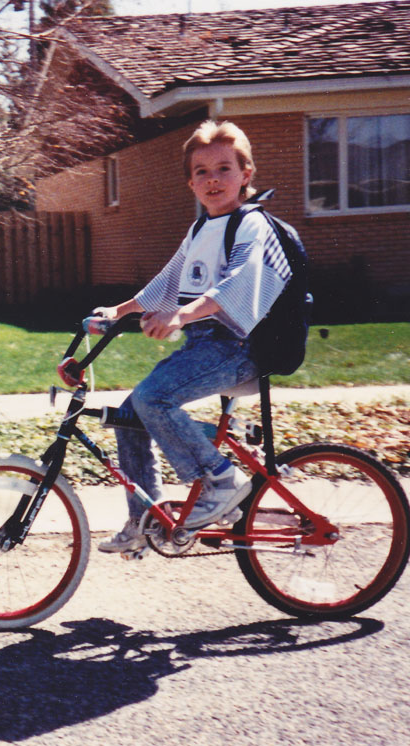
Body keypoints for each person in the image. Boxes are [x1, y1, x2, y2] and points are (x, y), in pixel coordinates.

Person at [92, 120, 291, 554]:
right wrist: (120, 311)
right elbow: (170, 280)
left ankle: (221, 480)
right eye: (202, 172)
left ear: (246, 174)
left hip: (240, 347)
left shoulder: (251, 225)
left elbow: (239, 283)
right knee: (129, 414)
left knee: (153, 399)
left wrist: (181, 315)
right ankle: (145, 520)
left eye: (224, 169)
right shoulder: (201, 229)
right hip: (206, 345)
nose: (213, 179)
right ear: (191, 183)